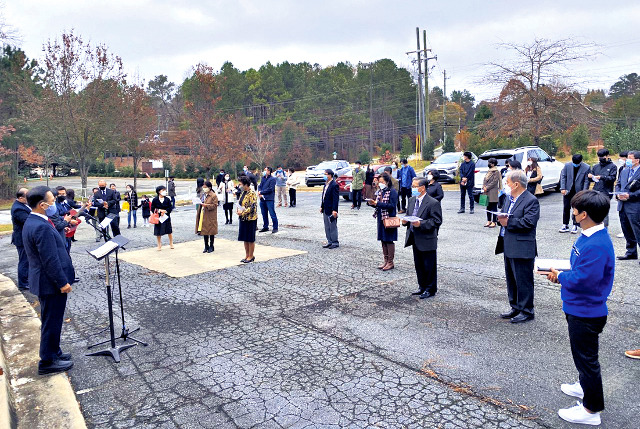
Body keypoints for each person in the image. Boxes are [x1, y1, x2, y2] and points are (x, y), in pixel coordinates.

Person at [546, 190, 615, 426]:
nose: (572, 212)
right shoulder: (587, 235)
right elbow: (579, 269)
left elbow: (585, 280)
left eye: (574, 209)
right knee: (582, 358)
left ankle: (591, 409)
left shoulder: (597, 244)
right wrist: (563, 273)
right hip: (577, 307)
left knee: (587, 360)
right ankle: (584, 385)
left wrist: (561, 277)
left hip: (586, 312)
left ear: (583, 214)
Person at [22, 186, 74, 375]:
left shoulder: (36, 220)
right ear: (42, 205)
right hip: (50, 283)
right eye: (52, 201)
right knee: (51, 321)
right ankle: (47, 361)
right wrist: (62, 283)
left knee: (52, 320)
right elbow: (49, 260)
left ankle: (54, 352)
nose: (54, 204)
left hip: (46, 282)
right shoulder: (40, 226)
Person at [495, 170, 540, 323]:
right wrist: (499, 218)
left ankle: (526, 310)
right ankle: (515, 306)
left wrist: (509, 223)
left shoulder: (531, 200)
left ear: (516, 184)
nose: (506, 186)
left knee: (523, 280)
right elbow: (504, 215)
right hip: (508, 244)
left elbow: (529, 223)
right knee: (512, 279)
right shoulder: (509, 198)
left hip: (522, 247)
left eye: (507, 183)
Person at [404, 178, 443, 299]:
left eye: (415, 186)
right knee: (419, 264)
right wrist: (405, 221)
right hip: (414, 237)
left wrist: (421, 224)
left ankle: (430, 289)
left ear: (422, 188)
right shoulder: (411, 200)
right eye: (412, 186)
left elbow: (437, 221)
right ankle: (422, 286)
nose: (413, 188)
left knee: (429, 265)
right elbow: (409, 214)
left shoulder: (432, 202)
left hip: (427, 238)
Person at [367, 173, 398, 270]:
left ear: (387, 181)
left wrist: (378, 203)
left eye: (382, 182)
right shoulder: (380, 191)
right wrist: (372, 203)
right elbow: (378, 204)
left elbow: (392, 206)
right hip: (381, 217)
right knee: (383, 239)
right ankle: (385, 260)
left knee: (389, 239)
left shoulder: (392, 191)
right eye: (379, 182)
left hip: (389, 218)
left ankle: (390, 262)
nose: (380, 183)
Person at [615, 150, 640, 261]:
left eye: (630, 158)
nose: (626, 160)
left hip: (635, 206)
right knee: (626, 230)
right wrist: (618, 194)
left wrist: (630, 196)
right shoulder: (624, 171)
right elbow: (618, 184)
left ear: (637, 160)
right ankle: (631, 252)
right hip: (623, 205)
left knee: (637, 230)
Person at [559, 154, 590, 234]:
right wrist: (562, 188)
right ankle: (565, 224)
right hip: (568, 190)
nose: (575, 164)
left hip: (578, 192)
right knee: (566, 208)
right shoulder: (567, 165)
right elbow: (563, 176)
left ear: (581, 161)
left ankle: (575, 225)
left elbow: (586, 181)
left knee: (576, 209)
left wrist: (584, 192)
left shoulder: (586, 167)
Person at [589, 148, 618, 228]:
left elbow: (612, 178)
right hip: (595, 191)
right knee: (593, 211)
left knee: (604, 212)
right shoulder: (596, 166)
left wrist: (602, 177)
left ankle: (604, 229)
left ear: (607, 156)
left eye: (603, 156)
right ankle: (595, 228)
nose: (601, 158)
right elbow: (591, 178)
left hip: (606, 192)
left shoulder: (612, 166)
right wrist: (590, 177)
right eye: (599, 157)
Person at [11, 188, 31, 290]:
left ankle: (27, 279)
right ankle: (23, 283)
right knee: (24, 261)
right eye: (27, 196)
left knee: (28, 260)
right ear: (21, 198)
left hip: (25, 237)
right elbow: (27, 221)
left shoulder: (24, 205)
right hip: (21, 239)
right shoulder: (18, 208)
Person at [237, 176, 258, 263]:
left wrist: (243, 212)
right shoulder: (243, 193)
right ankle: (246, 255)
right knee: (245, 238)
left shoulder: (252, 193)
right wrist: (238, 210)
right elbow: (240, 203)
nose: (240, 185)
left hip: (251, 219)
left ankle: (251, 256)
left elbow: (253, 207)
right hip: (243, 218)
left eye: (241, 184)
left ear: (246, 184)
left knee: (250, 238)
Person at [320, 169, 340, 249]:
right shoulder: (326, 184)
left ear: (330, 175)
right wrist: (322, 206)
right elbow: (324, 197)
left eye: (326, 174)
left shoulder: (334, 185)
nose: (324, 176)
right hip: (325, 208)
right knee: (327, 226)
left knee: (332, 226)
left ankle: (335, 242)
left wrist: (335, 210)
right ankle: (329, 241)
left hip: (331, 209)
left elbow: (335, 199)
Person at [197, 181, 218, 253]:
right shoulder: (203, 194)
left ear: (209, 187)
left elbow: (215, 205)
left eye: (205, 187)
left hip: (210, 215)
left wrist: (206, 206)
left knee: (211, 230)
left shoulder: (213, 195)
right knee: (204, 230)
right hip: (203, 213)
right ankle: (206, 246)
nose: (204, 188)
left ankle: (212, 246)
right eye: (203, 187)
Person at [151, 185, 174, 250]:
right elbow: (152, 208)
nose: (164, 191)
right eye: (163, 190)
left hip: (166, 217)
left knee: (169, 230)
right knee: (158, 232)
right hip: (158, 217)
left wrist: (165, 211)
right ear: (159, 191)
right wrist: (159, 211)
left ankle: (171, 243)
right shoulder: (155, 199)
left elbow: (170, 207)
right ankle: (159, 245)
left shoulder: (167, 199)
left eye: (165, 190)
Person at [258, 167, 278, 233]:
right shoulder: (263, 178)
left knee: (272, 213)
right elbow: (260, 186)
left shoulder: (272, 179)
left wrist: (261, 192)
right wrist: (259, 192)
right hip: (262, 199)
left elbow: (270, 189)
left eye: (265, 170)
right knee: (264, 213)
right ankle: (265, 226)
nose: (264, 171)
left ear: (269, 171)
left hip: (269, 198)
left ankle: (275, 227)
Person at [482, 158, 501, 228]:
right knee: (488, 206)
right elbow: (485, 179)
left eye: (489, 163)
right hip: (486, 191)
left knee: (493, 207)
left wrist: (487, 187)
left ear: (493, 164)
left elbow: (495, 182)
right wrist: (483, 186)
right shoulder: (489, 171)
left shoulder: (496, 171)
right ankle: (488, 220)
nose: (488, 164)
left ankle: (494, 221)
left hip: (493, 191)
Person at [616, 152, 629, 238]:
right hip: (622, 195)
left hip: (631, 196)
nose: (620, 160)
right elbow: (618, 182)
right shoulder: (621, 168)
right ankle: (624, 231)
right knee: (623, 215)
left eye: (622, 158)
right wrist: (617, 194)